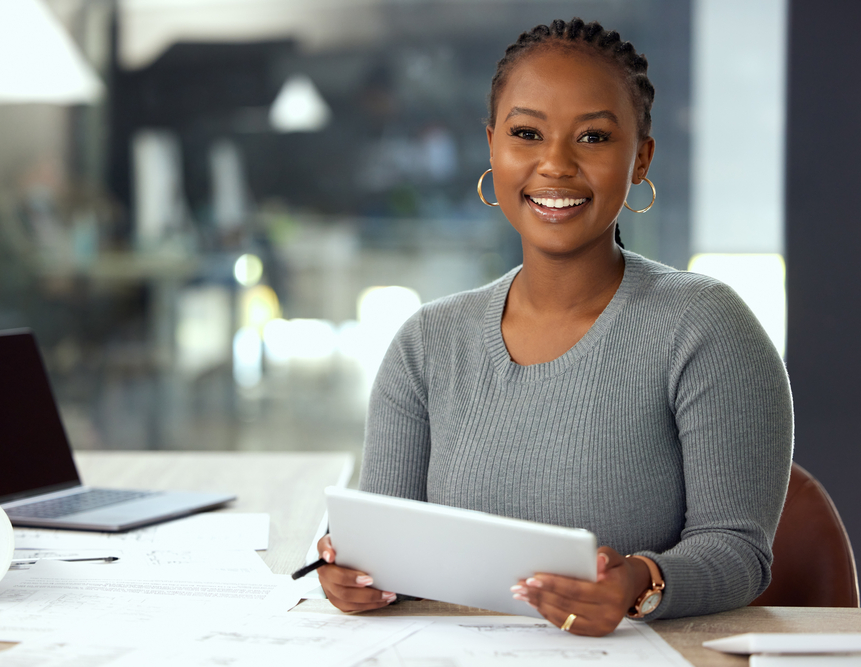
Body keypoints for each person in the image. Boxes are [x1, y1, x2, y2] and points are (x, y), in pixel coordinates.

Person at [316, 17, 793, 637]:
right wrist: (354, 575)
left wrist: (639, 584)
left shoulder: (705, 327)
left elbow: (738, 550)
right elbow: (388, 547)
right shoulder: (426, 343)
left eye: (593, 137)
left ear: (641, 158)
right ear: (493, 146)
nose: (556, 164)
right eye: (526, 133)